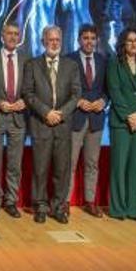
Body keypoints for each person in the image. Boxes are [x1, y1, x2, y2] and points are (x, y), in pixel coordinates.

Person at [22, 25, 81, 224]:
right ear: (43, 41)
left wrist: (61, 113)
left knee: (61, 169)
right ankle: (40, 205)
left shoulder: (71, 65)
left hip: (63, 125)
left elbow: (76, 95)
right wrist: (46, 112)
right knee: (40, 168)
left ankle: (58, 207)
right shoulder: (32, 64)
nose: (54, 43)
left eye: (57, 39)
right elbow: (28, 93)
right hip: (41, 124)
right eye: (50, 39)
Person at [107, 28, 136, 220]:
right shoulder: (114, 64)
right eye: (129, 41)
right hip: (121, 122)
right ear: (123, 44)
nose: (133, 44)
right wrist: (128, 116)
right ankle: (118, 208)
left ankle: (134, 209)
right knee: (119, 166)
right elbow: (115, 93)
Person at [65, 24, 108, 217]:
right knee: (70, 163)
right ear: (79, 40)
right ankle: (65, 202)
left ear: (97, 40)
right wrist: (77, 101)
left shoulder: (103, 60)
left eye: (92, 37)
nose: (89, 41)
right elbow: (63, 88)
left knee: (92, 163)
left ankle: (90, 201)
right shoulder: (69, 60)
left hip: (96, 119)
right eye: (85, 38)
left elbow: (109, 89)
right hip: (76, 118)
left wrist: (103, 101)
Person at [0, 23, 27, 218]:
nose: (12, 37)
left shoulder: (27, 59)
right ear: (2, 36)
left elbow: (31, 88)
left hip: (18, 119)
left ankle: (11, 201)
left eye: (16, 34)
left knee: (14, 164)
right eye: (9, 33)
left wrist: (24, 101)